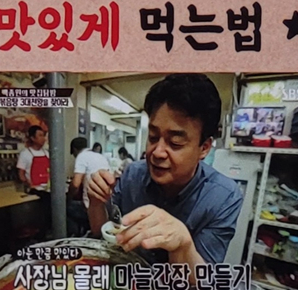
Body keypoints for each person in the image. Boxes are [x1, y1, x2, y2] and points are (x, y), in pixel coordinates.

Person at [85, 73, 243, 270]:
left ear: (204, 148)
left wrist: (183, 246)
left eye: (175, 142)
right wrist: (96, 203)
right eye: (153, 137)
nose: (157, 152)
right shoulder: (132, 175)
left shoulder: (223, 197)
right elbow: (104, 234)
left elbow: (203, 279)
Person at [69, 137, 110, 237]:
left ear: (74, 149)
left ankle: (75, 236)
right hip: (105, 207)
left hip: (90, 207)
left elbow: (75, 184)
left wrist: (68, 197)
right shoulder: (100, 156)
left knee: (65, 209)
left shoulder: (81, 156)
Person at [15, 124, 49, 190]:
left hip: (47, 188)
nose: (43, 138)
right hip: (34, 190)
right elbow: (21, 175)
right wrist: (28, 184)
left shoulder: (47, 154)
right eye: (40, 136)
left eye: (43, 136)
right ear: (32, 138)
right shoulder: (25, 154)